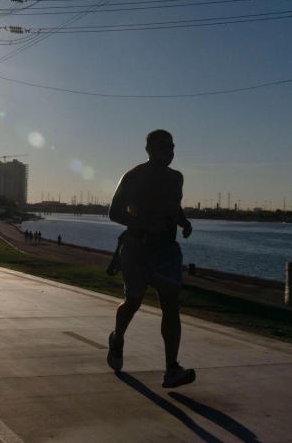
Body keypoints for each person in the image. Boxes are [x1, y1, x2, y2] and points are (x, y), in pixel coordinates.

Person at [106, 129, 195, 388]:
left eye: (171, 147)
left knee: (171, 306)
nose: (168, 152)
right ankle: (117, 337)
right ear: (149, 150)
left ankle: (171, 368)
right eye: (162, 147)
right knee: (133, 301)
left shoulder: (176, 178)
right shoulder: (134, 176)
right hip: (138, 248)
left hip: (167, 250)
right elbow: (113, 212)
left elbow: (173, 206)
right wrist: (143, 223)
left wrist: (184, 221)